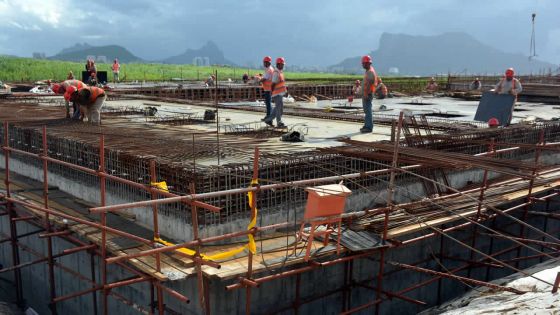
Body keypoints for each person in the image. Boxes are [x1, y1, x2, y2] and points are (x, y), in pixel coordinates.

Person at [265, 57, 287, 128]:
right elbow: (273, 84)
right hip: (277, 94)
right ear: (278, 64)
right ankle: (279, 122)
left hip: (280, 94)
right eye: (282, 64)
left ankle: (268, 119)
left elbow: (281, 83)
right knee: (278, 109)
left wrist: (284, 91)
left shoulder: (280, 72)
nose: (283, 66)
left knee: (278, 109)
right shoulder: (276, 73)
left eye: (283, 64)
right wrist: (272, 92)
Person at [360, 55, 379, 133]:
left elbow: (368, 85)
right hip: (366, 94)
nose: (363, 65)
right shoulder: (368, 71)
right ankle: (366, 125)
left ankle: (368, 127)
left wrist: (366, 94)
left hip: (367, 94)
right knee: (366, 110)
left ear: (367, 63)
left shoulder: (370, 72)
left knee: (368, 111)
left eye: (363, 63)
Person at [260, 56, 274, 121]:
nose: (264, 64)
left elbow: (264, 79)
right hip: (268, 89)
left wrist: (258, 80)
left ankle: (269, 117)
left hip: (268, 89)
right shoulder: (269, 69)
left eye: (264, 63)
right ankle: (269, 116)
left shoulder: (269, 70)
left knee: (268, 103)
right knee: (268, 103)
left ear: (268, 63)